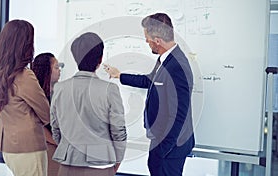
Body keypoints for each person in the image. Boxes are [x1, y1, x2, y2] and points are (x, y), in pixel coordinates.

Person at [105, 13, 195, 176]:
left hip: (170, 147)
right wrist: (120, 75)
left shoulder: (177, 66)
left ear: (157, 40)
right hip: (162, 141)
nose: (146, 42)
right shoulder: (165, 59)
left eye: (147, 38)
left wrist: (163, 149)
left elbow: (179, 115)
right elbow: (150, 81)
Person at [50, 32, 127, 176]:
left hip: (67, 164)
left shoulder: (60, 88)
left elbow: (55, 127)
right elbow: (118, 130)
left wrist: (67, 147)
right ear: (100, 59)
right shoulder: (110, 89)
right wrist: (118, 159)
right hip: (100, 165)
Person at [0, 20, 50, 176]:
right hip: (29, 147)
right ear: (25, 44)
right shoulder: (24, 76)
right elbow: (46, 113)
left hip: (8, 147)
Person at [32, 52, 61, 176]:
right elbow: (39, 126)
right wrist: (57, 143)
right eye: (56, 67)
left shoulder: (59, 91)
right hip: (48, 146)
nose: (59, 70)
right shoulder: (38, 95)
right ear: (46, 71)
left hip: (59, 144)